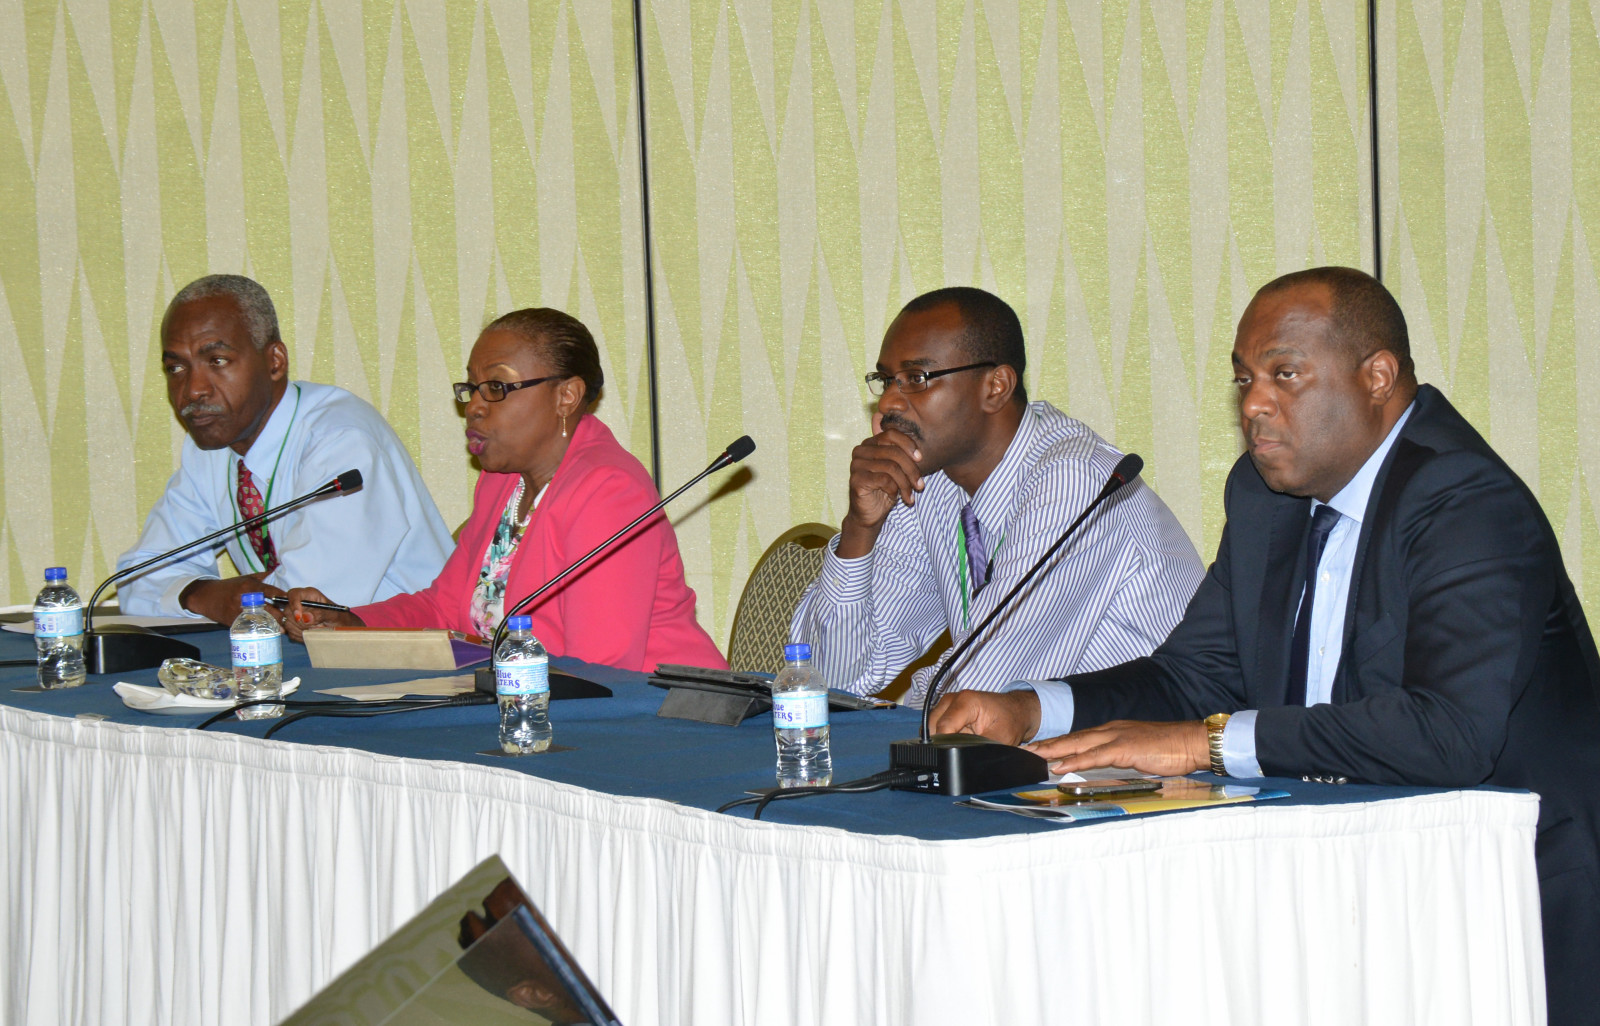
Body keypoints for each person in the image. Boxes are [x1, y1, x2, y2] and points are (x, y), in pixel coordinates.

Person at [930, 267, 1600, 1024]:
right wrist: (1032, 708)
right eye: (1244, 379)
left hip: (1505, 895)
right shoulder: (1264, 496)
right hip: (1343, 877)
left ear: (1377, 377)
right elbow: (1194, 675)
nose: (1253, 404)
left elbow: (1447, 733)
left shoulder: (1466, 502)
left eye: (1285, 375)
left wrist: (1206, 744)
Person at [790, 286, 1204, 700]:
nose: (889, 404)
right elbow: (829, 681)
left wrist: (899, 714)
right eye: (886, 381)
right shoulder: (927, 479)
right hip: (1040, 740)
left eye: (916, 379)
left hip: (1169, 736)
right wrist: (860, 529)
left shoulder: (1074, 481)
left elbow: (983, 691)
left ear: (996, 386)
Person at [285, 307, 726, 673]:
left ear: (566, 396)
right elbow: (443, 609)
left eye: (496, 387)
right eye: (472, 389)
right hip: (536, 705)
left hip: (660, 718)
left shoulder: (608, 490)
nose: (474, 407)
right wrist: (349, 621)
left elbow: (598, 669)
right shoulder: (503, 482)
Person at [114, 274, 453, 625]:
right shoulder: (210, 448)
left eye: (217, 360)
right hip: (304, 650)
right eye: (176, 368)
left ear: (275, 361)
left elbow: (308, 603)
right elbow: (138, 578)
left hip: (411, 648)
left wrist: (228, 596)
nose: (193, 390)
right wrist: (206, 595)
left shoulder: (341, 440)